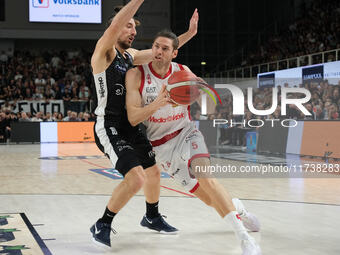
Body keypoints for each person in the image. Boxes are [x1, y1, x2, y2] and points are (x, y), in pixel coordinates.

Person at [125, 30, 262, 255]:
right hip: (161, 148)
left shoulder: (183, 72)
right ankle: (238, 208)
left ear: (174, 53)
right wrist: (158, 103)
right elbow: (133, 118)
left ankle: (245, 239)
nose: (158, 51)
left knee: (206, 177)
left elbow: (206, 102)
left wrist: (202, 93)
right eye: (156, 46)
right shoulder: (136, 75)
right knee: (210, 200)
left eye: (165, 48)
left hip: (186, 133)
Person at [90, 0, 199, 247]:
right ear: (115, 28)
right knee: (136, 178)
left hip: (132, 124)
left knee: (153, 172)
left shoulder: (132, 56)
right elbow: (115, 25)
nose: (134, 31)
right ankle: (103, 223)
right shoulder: (103, 52)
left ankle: (151, 216)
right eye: (128, 26)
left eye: (134, 28)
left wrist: (189, 34)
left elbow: (164, 50)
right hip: (109, 126)